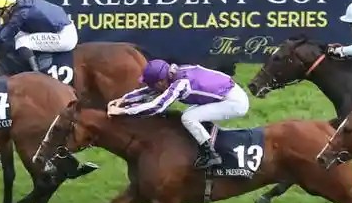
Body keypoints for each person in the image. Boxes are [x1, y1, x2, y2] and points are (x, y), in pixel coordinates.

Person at [107, 59, 250, 170]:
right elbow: (152, 91)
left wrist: (123, 111)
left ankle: (210, 154)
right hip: (229, 93)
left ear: (161, 81)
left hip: (235, 103)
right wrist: (124, 100)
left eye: (152, 83)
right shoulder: (175, 73)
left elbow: (156, 106)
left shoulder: (181, 83)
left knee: (188, 118)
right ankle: (208, 142)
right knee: (189, 114)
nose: (150, 87)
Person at [0, 0, 76, 73]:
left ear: (8, 7)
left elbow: (2, 37)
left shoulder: (22, 13)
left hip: (64, 37)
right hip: (60, 30)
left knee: (22, 42)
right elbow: (7, 27)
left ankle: (37, 74)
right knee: (19, 35)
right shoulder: (20, 5)